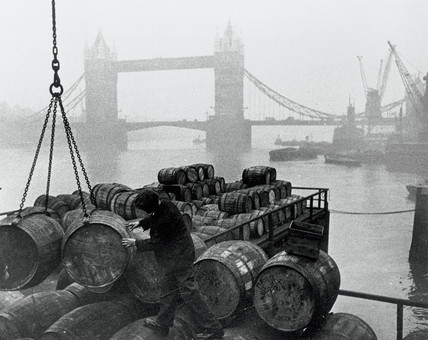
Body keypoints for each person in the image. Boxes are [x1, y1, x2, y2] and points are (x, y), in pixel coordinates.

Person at [122, 189, 224, 340]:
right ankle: (162, 323)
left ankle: (214, 329)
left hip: (180, 258)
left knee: (190, 294)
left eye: (145, 211)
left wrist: (135, 242)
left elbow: (157, 242)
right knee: (167, 292)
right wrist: (140, 223)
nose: (144, 213)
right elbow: (156, 218)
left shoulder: (165, 218)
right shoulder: (165, 204)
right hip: (172, 258)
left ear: (151, 207)